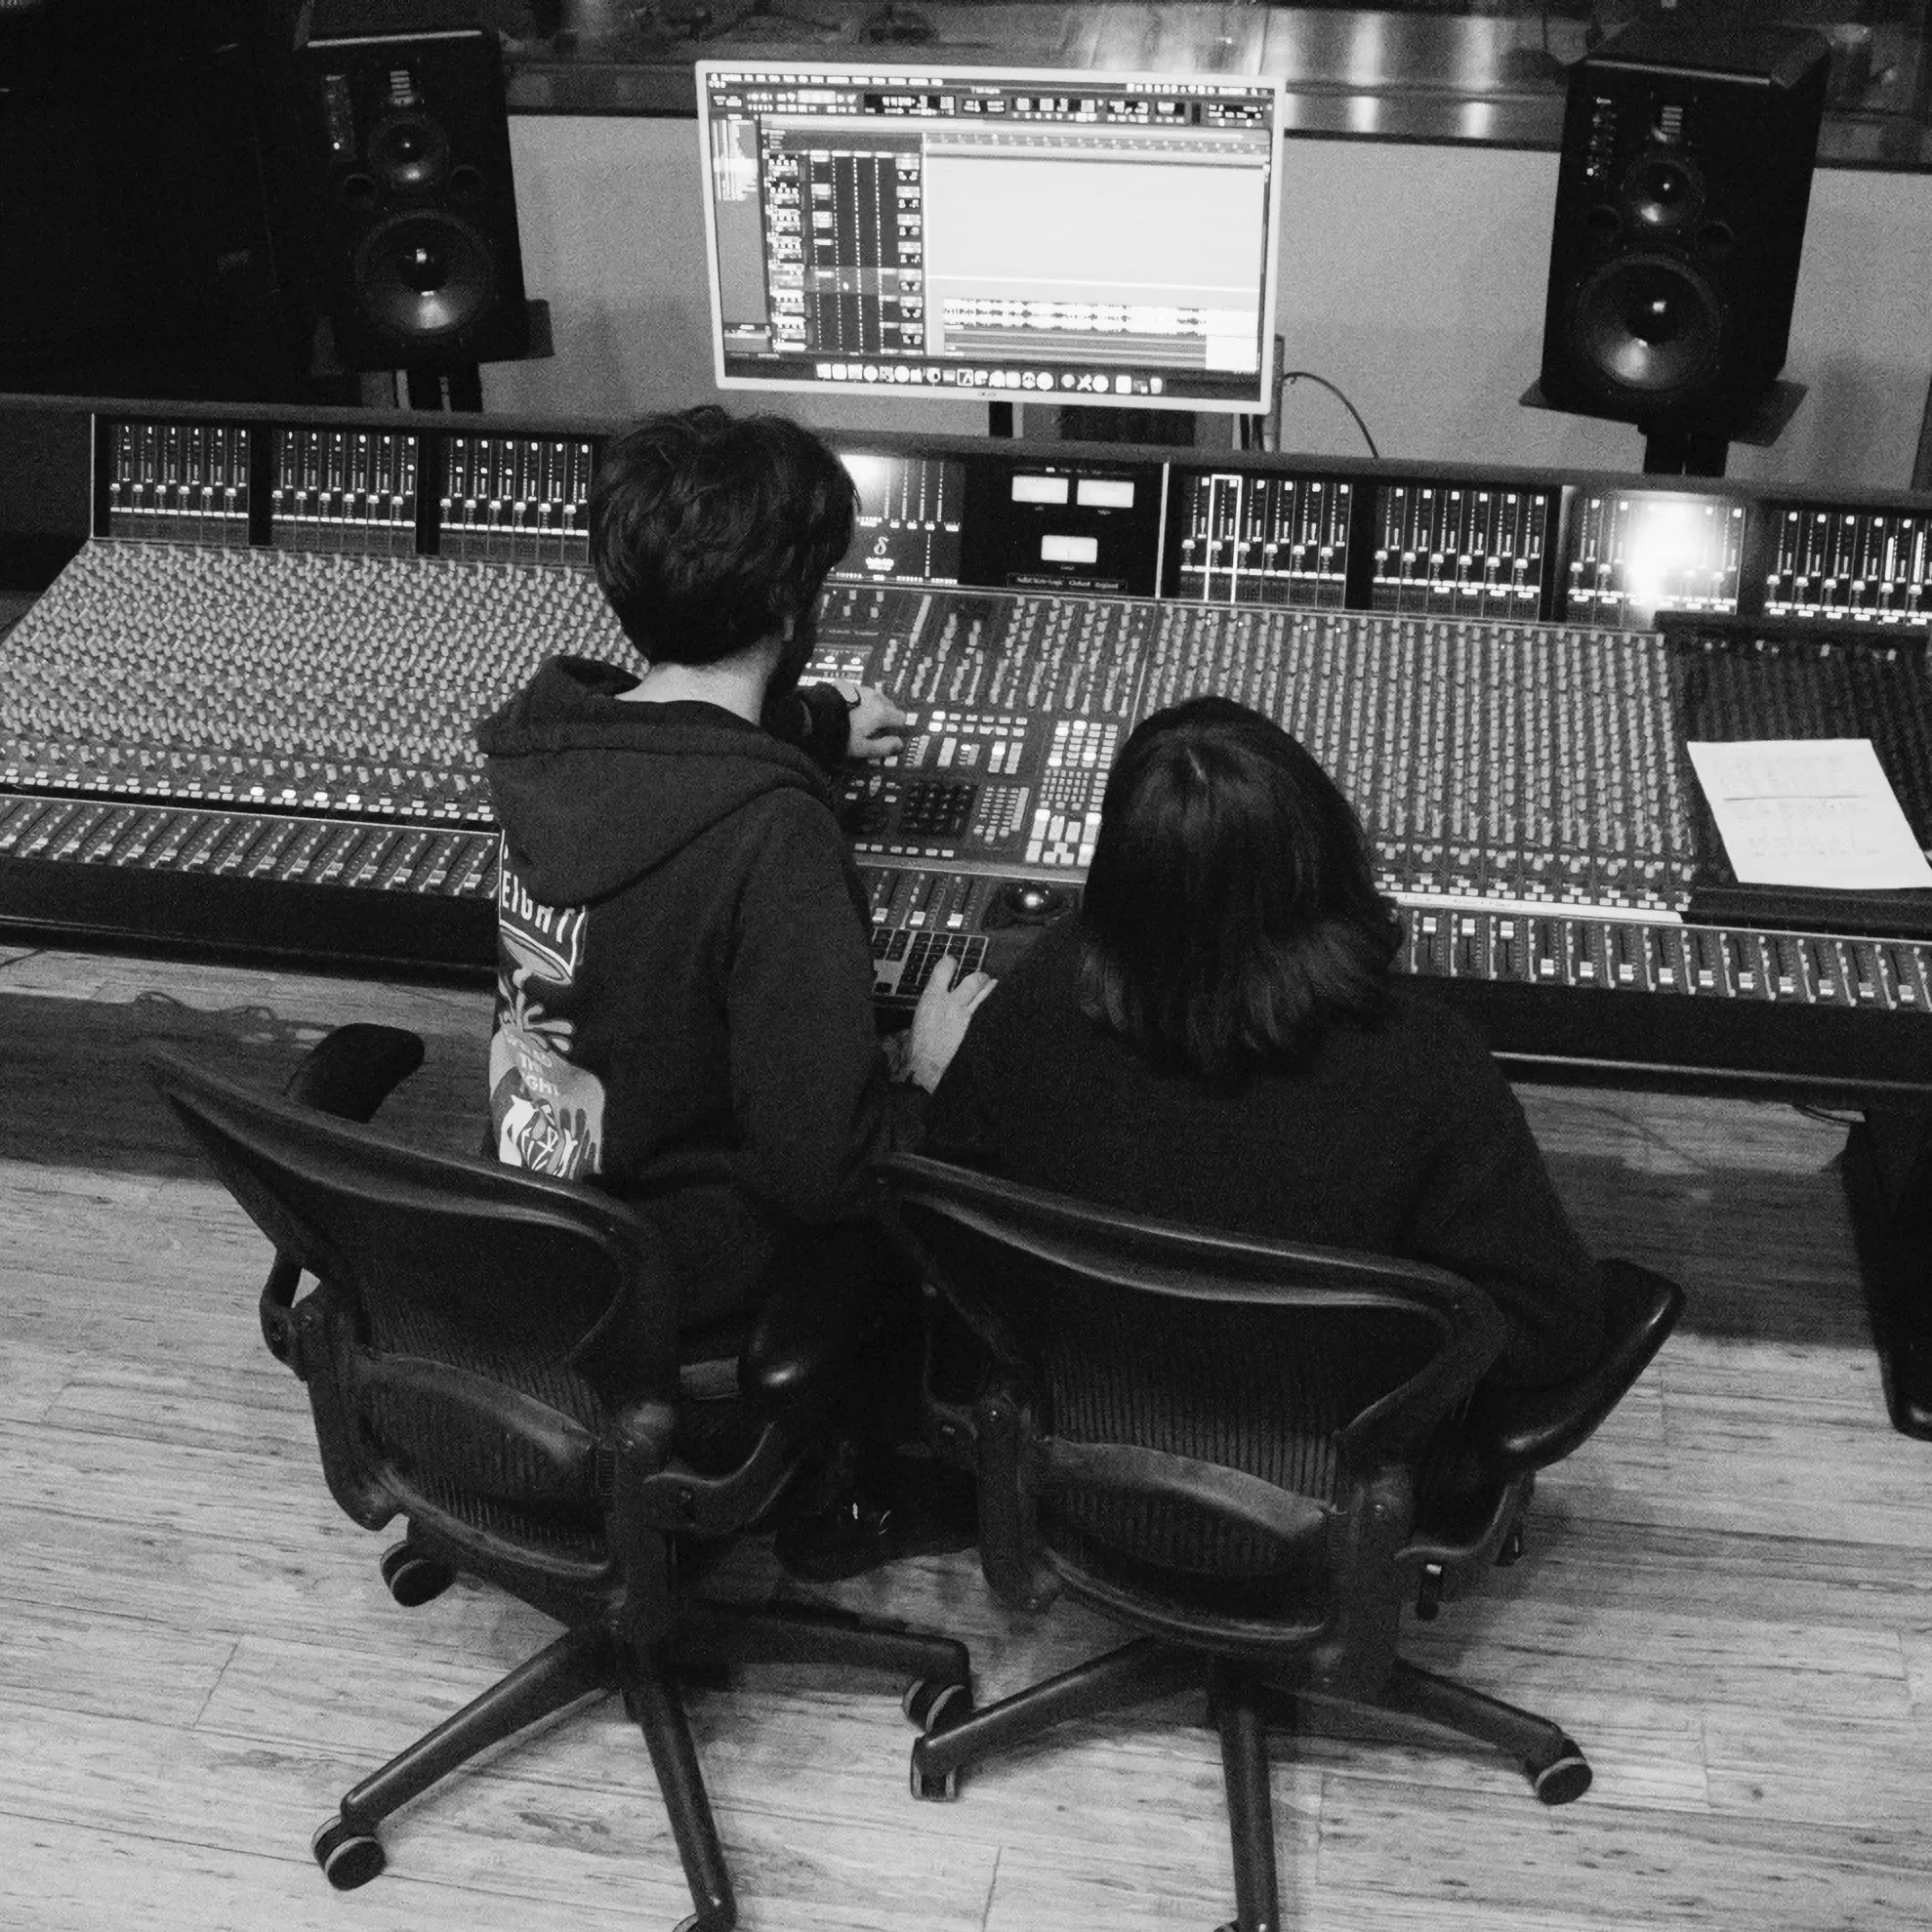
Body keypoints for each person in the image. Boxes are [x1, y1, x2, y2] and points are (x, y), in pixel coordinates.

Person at [476, 407, 995, 1528]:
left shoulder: (544, 745)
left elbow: (671, 754)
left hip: (538, 1242)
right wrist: (926, 1078)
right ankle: (853, 1502)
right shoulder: (772, 838)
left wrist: (808, 722)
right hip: (682, 1306)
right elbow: (825, 1170)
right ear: (791, 610)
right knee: (936, 1164)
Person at [923, 693, 1607, 1393]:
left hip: (1064, 1439)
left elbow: (945, 1224)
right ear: (1326, 854)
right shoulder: (1429, 1065)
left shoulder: (1041, 991)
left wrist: (931, 1078)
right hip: (1328, 1455)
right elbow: (1555, 1334)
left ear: (1117, 873)